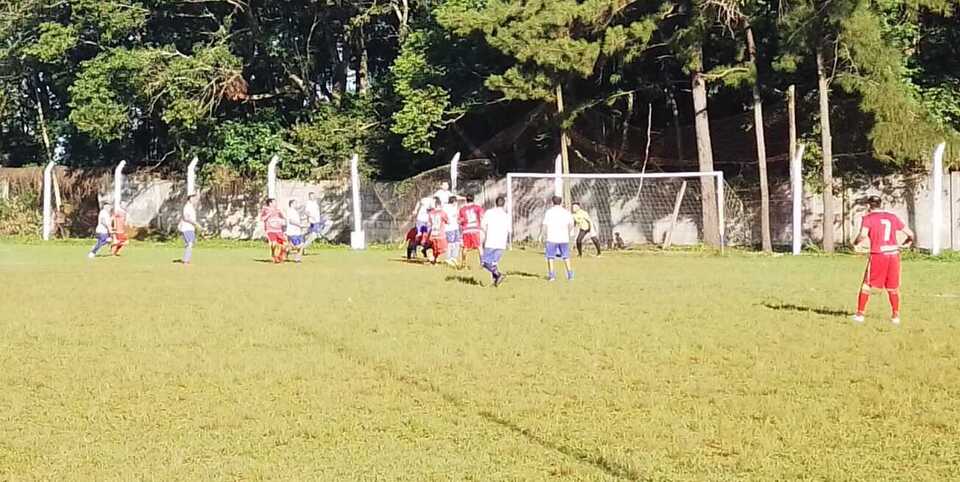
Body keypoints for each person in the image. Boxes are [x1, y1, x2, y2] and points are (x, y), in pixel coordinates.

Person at [852, 195, 914, 325]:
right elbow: (910, 233)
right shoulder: (892, 217)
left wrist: (855, 243)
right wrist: (908, 241)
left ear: (869, 206)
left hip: (879, 254)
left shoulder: (868, 218)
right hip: (894, 254)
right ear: (880, 204)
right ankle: (896, 315)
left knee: (867, 284)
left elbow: (863, 235)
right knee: (893, 287)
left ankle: (860, 314)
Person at [541, 195, 575, 281]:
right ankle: (570, 274)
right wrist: (569, 232)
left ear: (552, 202)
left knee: (550, 257)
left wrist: (543, 235)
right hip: (564, 238)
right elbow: (571, 224)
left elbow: (545, 225)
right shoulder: (566, 212)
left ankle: (552, 275)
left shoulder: (549, 212)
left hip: (552, 238)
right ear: (561, 202)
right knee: (566, 256)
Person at [480, 195, 511, 287]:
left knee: (484, 262)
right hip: (501, 243)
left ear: (495, 203)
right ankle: (495, 282)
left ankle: (498, 274)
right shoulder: (506, 216)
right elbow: (509, 230)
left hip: (491, 241)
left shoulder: (489, 213)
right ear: (504, 204)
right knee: (493, 263)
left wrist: (485, 234)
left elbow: (483, 225)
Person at [459, 194, 485, 267]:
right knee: (479, 247)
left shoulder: (462, 209)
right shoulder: (477, 207)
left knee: (465, 247)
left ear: (466, 200)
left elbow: (460, 220)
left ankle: (463, 263)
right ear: (473, 199)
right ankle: (482, 263)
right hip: (475, 229)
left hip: (466, 230)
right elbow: (482, 216)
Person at [260, 198, 287, 264]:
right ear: (270, 203)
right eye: (274, 202)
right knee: (274, 243)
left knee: (284, 244)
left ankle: (280, 256)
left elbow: (283, 218)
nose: (276, 203)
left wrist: (282, 218)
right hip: (270, 229)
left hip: (278, 230)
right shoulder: (265, 209)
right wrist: (268, 214)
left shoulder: (277, 210)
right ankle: (273, 254)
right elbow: (262, 218)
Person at [427, 197, 448, 264]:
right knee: (443, 248)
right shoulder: (442, 212)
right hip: (440, 233)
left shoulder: (431, 213)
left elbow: (429, 223)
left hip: (433, 233)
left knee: (434, 247)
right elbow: (447, 221)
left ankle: (434, 259)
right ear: (439, 205)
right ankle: (434, 258)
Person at [443, 195, 462, 267]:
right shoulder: (446, 207)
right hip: (449, 228)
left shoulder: (455, 207)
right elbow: (443, 216)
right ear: (453, 201)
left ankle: (454, 257)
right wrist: (446, 221)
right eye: (455, 201)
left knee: (457, 242)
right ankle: (448, 258)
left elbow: (457, 216)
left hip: (455, 227)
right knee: (450, 243)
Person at [179, 194, 199, 264]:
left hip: (190, 228)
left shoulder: (191, 207)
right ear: (190, 199)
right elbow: (186, 217)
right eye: (194, 198)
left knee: (190, 244)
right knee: (189, 244)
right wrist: (196, 223)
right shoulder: (187, 207)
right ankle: (186, 260)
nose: (195, 200)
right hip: (187, 228)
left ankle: (187, 259)